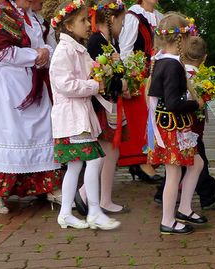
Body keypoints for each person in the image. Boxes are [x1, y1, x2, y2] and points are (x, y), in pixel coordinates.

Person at [0, 0, 61, 214]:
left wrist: (45, 52)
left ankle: (45, 185)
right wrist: (35, 55)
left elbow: (44, 43)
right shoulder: (1, 15)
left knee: (41, 130)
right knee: (10, 135)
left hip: (32, 81)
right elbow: (0, 53)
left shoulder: (32, 17)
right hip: (7, 85)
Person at [49, 0, 121, 230]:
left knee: (76, 165)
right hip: (71, 116)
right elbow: (64, 84)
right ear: (69, 26)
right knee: (94, 159)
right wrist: (93, 86)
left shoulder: (78, 49)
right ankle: (94, 211)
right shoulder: (64, 51)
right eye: (82, 21)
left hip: (79, 115)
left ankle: (65, 213)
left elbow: (94, 71)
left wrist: (108, 67)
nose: (88, 25)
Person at [153, 36, 215, 211]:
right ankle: (208, 197)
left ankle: (164, 195)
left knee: (179, 163)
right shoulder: (192, 76)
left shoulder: (176, 70)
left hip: (176, 127)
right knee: (196, 162)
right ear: (204, 58)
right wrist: (200, 101)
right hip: (187, 128)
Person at [148, 13, 206, 235]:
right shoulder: (171, 66)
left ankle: (183, 208)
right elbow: (173, 102)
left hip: (172, 125)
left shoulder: (161, 60)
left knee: (196, 164)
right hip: (172, 126)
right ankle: (167, 220)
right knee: (174, 174)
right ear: (181, 38)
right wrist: (194, 105)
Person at [77, 0, 131, 214]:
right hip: (103, 105)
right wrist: (121, 84)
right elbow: (97, 78)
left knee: (110, 152)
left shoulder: (107, 43)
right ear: (113, 20)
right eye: (122, 21)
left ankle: (97, 196)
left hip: (111, 103)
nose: (123, 26)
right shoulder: (97, 43)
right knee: (107, 151)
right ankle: (91, 196)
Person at [118, 0, 163, 183]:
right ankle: (140, 163)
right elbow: (125, 50)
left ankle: (149, 161)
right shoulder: (132, 17)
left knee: (155, 120)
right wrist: (131, 77)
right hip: (139, 78)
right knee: (141, 122)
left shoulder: (159, 17)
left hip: (156, 77)